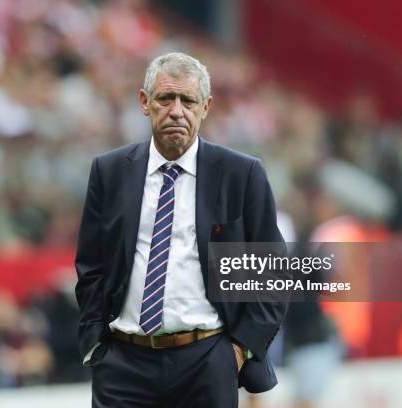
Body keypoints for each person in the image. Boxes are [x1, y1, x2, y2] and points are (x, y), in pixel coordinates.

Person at [75, 52, 287, 407]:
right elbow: (90, 265)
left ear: (206, 107)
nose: (177, 111)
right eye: (165, 98)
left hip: (207, 360)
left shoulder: (242, 174)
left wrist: (238, 350)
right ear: (145, 102)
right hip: (123, 364)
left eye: (188, 100)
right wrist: (97, 344)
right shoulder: (109, 171)